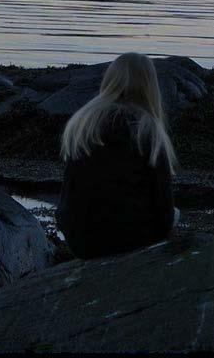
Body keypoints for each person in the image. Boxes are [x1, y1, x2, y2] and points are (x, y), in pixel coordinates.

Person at [56, 52, 179, 259]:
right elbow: (163, 207)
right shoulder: (146, 130)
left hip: (80, 240)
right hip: (131, 241)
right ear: (150, 88)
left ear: (110, 81)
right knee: (176, 215)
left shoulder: (83, 123)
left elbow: (69, 191)